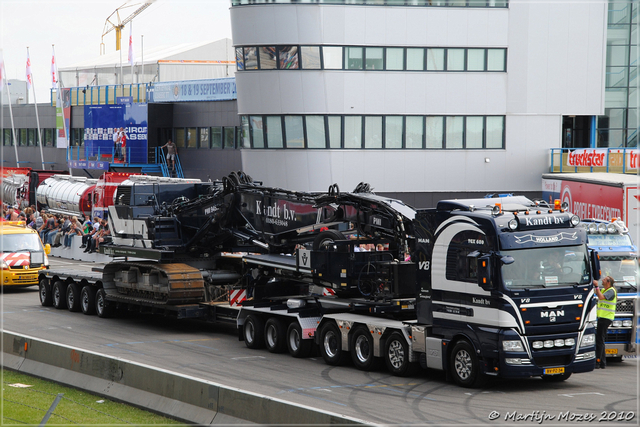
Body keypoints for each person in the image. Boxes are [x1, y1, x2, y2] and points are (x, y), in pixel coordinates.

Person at [594, 275, 616, 369]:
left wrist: (596, 286)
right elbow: (597, 293)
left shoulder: (611, 291)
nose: (602, 280)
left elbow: (601, 297)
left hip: (606, 318)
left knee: (600, 340)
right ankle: (602, 362)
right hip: (602, 317)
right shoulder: (604, 290)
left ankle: (598, 361)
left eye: (604, 279)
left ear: (608, 282)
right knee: (600, 339)